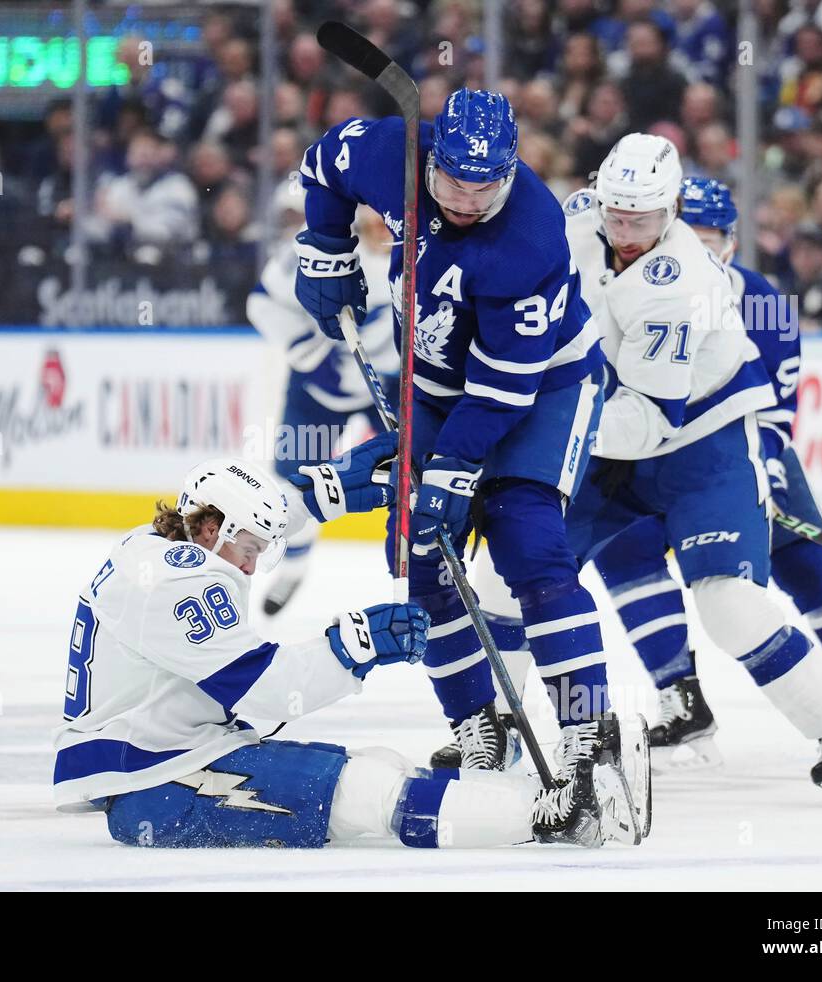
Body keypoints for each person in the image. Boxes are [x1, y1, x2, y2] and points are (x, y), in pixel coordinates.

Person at [292, 86, 650, 833]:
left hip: (541, 390)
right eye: (454, 178)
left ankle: (586, 729)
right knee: (424, 561)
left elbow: (501, 394)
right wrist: (325, 247)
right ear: (434, 158)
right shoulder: (392, 151)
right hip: (436, 386)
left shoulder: (530, 238)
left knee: (530, 545)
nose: (467, 196)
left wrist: (451, 475)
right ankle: (478, 730)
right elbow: (323, 164)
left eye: (486, 183)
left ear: (513, 168)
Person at [50, 443, 643, 849]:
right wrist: (357, 643)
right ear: (211, 529)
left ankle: (523, 798)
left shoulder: (152, 550)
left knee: (381, 764)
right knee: (370, 794)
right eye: (252, 546)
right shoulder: (178, 580)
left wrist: (326, 493)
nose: (255, 567)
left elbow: (262, 525)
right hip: (152, 782)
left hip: (164, 757)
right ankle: (560, 817)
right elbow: (265, 691)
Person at [560, 135, 822, 804]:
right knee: (513, 573)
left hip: (696, 444)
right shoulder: (576, 218)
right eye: (615, 215)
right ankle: (499, 729)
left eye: (642, 219)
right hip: (610, 430)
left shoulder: (684, 279)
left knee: (729, 603)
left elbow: (651, 420)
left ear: (671, 211)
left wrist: (536, 435)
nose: (624, 232)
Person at [247, 199, 399, 615]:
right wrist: (307, 353)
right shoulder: (312, 253)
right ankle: (292, 568)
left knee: (419, 472)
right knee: (291, 481)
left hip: (387, 386)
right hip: (317, 389)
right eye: (374, 221)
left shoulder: (419, 256)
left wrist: (396, 364)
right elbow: (260, 302)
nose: (383, 231)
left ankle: (421, 572)